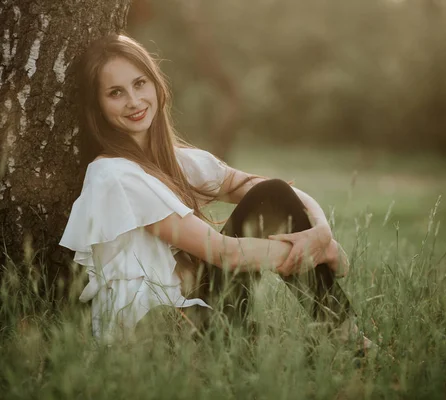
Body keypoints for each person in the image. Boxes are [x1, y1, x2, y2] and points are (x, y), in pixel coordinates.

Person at [59, 34, 360, 347]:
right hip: (154, 332)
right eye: (115, 93)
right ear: (98, 106)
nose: (133, 101)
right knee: (296, 355)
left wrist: (322, 234)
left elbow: (276, 192)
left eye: (139, 84)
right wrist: (315, 253)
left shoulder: (177, 161)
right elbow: (222, 253)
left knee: (271, 193)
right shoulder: (113, 175)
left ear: (156, 85)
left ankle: (349, 337)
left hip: (198, 311)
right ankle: (349, 341)